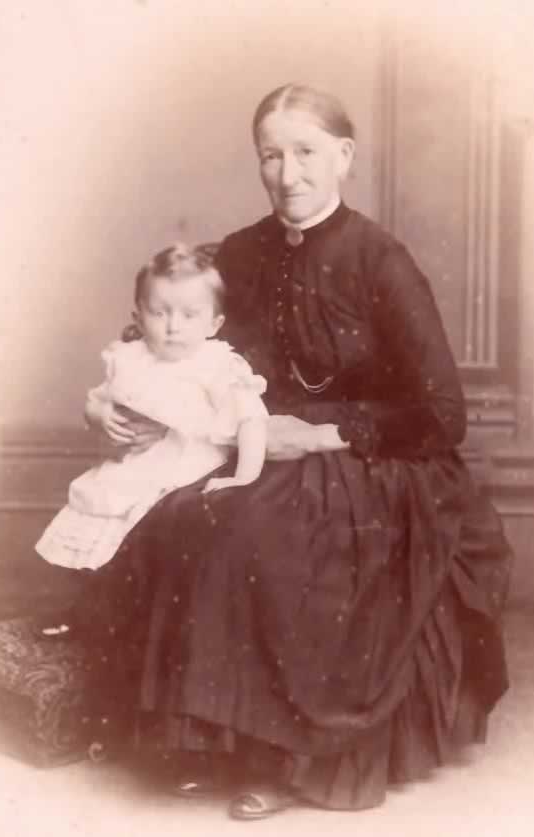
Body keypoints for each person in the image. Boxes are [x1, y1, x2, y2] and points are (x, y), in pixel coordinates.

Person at [64, 84, 512, 819]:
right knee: (179, 511)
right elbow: (150, 335)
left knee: (261, 532)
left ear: (343, 158)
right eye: (270, 156)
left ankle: (282, 755)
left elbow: (441, 415)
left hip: (377, 464)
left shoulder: (381, 261)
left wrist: (321, 433)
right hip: (251, 443)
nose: (288, 174)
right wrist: (99, 403)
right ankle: (204, 738)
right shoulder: (239, 253)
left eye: (305, 153)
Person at [35, 244, 268, 578]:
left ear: (214, 324)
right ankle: (104, 598)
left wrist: (245, 476)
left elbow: (251, 418)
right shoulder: (130, 358)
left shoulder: (215, 364)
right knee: (105, 517)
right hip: (133, 467)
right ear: (138, 318)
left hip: (189, 470)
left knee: (164, 536)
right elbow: (96, 399)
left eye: (189, 315)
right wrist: (100, 414)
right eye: (159, 313)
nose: (173, 326)